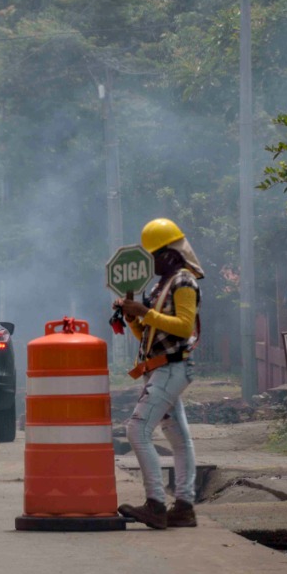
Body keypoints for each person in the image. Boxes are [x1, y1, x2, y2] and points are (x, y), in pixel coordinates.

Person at [114, 218, 204, 529]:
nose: (148, 263)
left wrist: (144, 312)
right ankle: (184, 507)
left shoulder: (184, 282)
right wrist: (132, 318)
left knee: (137, 430)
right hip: (159, 368)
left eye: (152, 255)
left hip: (172, 367)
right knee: (178, 438)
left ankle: (155, 504)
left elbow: (184, 326)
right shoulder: (160, 286)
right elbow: (148, 336)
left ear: (169, 254)